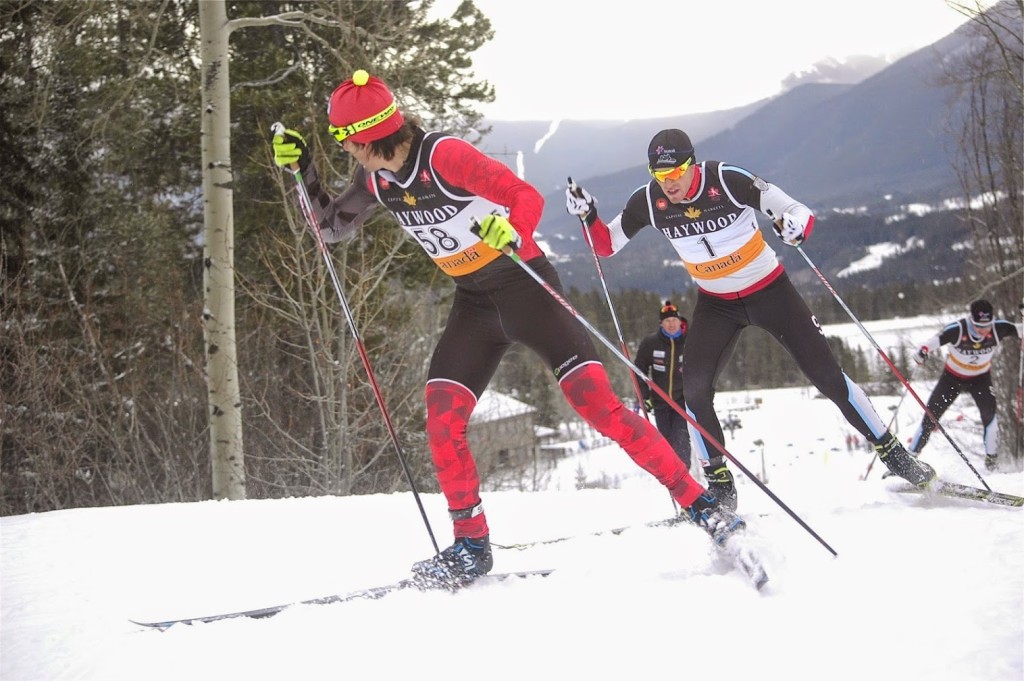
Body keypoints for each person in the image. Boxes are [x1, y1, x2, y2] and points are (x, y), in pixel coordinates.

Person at [272, 72, 749, 587]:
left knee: (601, 408)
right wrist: (304, 172)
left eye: (344, 140)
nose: (346, 150)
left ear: (368, 136)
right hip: (474, 305)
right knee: (442, 417)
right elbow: (329, 229)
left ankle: (704, 508)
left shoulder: (444, 157)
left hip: (526, 291)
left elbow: (523, 196)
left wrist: (512, 229)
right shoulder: (375, 180)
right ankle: (471, 546)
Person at [565, 128, 936, 509]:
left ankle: (894, 455)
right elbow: (605, 245)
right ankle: (721, 485)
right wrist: (588, 215)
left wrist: (796, 227)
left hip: (770, 292)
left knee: (827, 377)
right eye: (660, 175)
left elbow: (797, 211)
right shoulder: (648, 201)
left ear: (692, 164)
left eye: (677, 172)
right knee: (693, 392)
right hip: (716, 303)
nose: (670, 182)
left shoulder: (728, 180)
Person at [908, 299, 1021, 470]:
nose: (983, 331)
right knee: (930, 417)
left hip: (980, 379)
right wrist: (921, 352)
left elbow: (1020, 330)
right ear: (971, 320)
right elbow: (930, 343)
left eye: (987, 325)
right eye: (978, 326)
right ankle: (909, 460)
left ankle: (992, 463)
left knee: (990, 416)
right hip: (952, 378)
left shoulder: (999, 328)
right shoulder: (958, 330)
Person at [634, 300, 693, 470]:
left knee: (681, 438)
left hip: (683, 401)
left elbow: (703, 366)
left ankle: (685, 476)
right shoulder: (650, 343)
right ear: (661, 324)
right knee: (666, 441)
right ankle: (671, 477)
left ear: (680, 321)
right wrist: (644, 397)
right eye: (667, 321)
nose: (672, 324)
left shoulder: (689, 341)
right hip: (660, 403)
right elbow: (639, 370)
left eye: (675, 320)